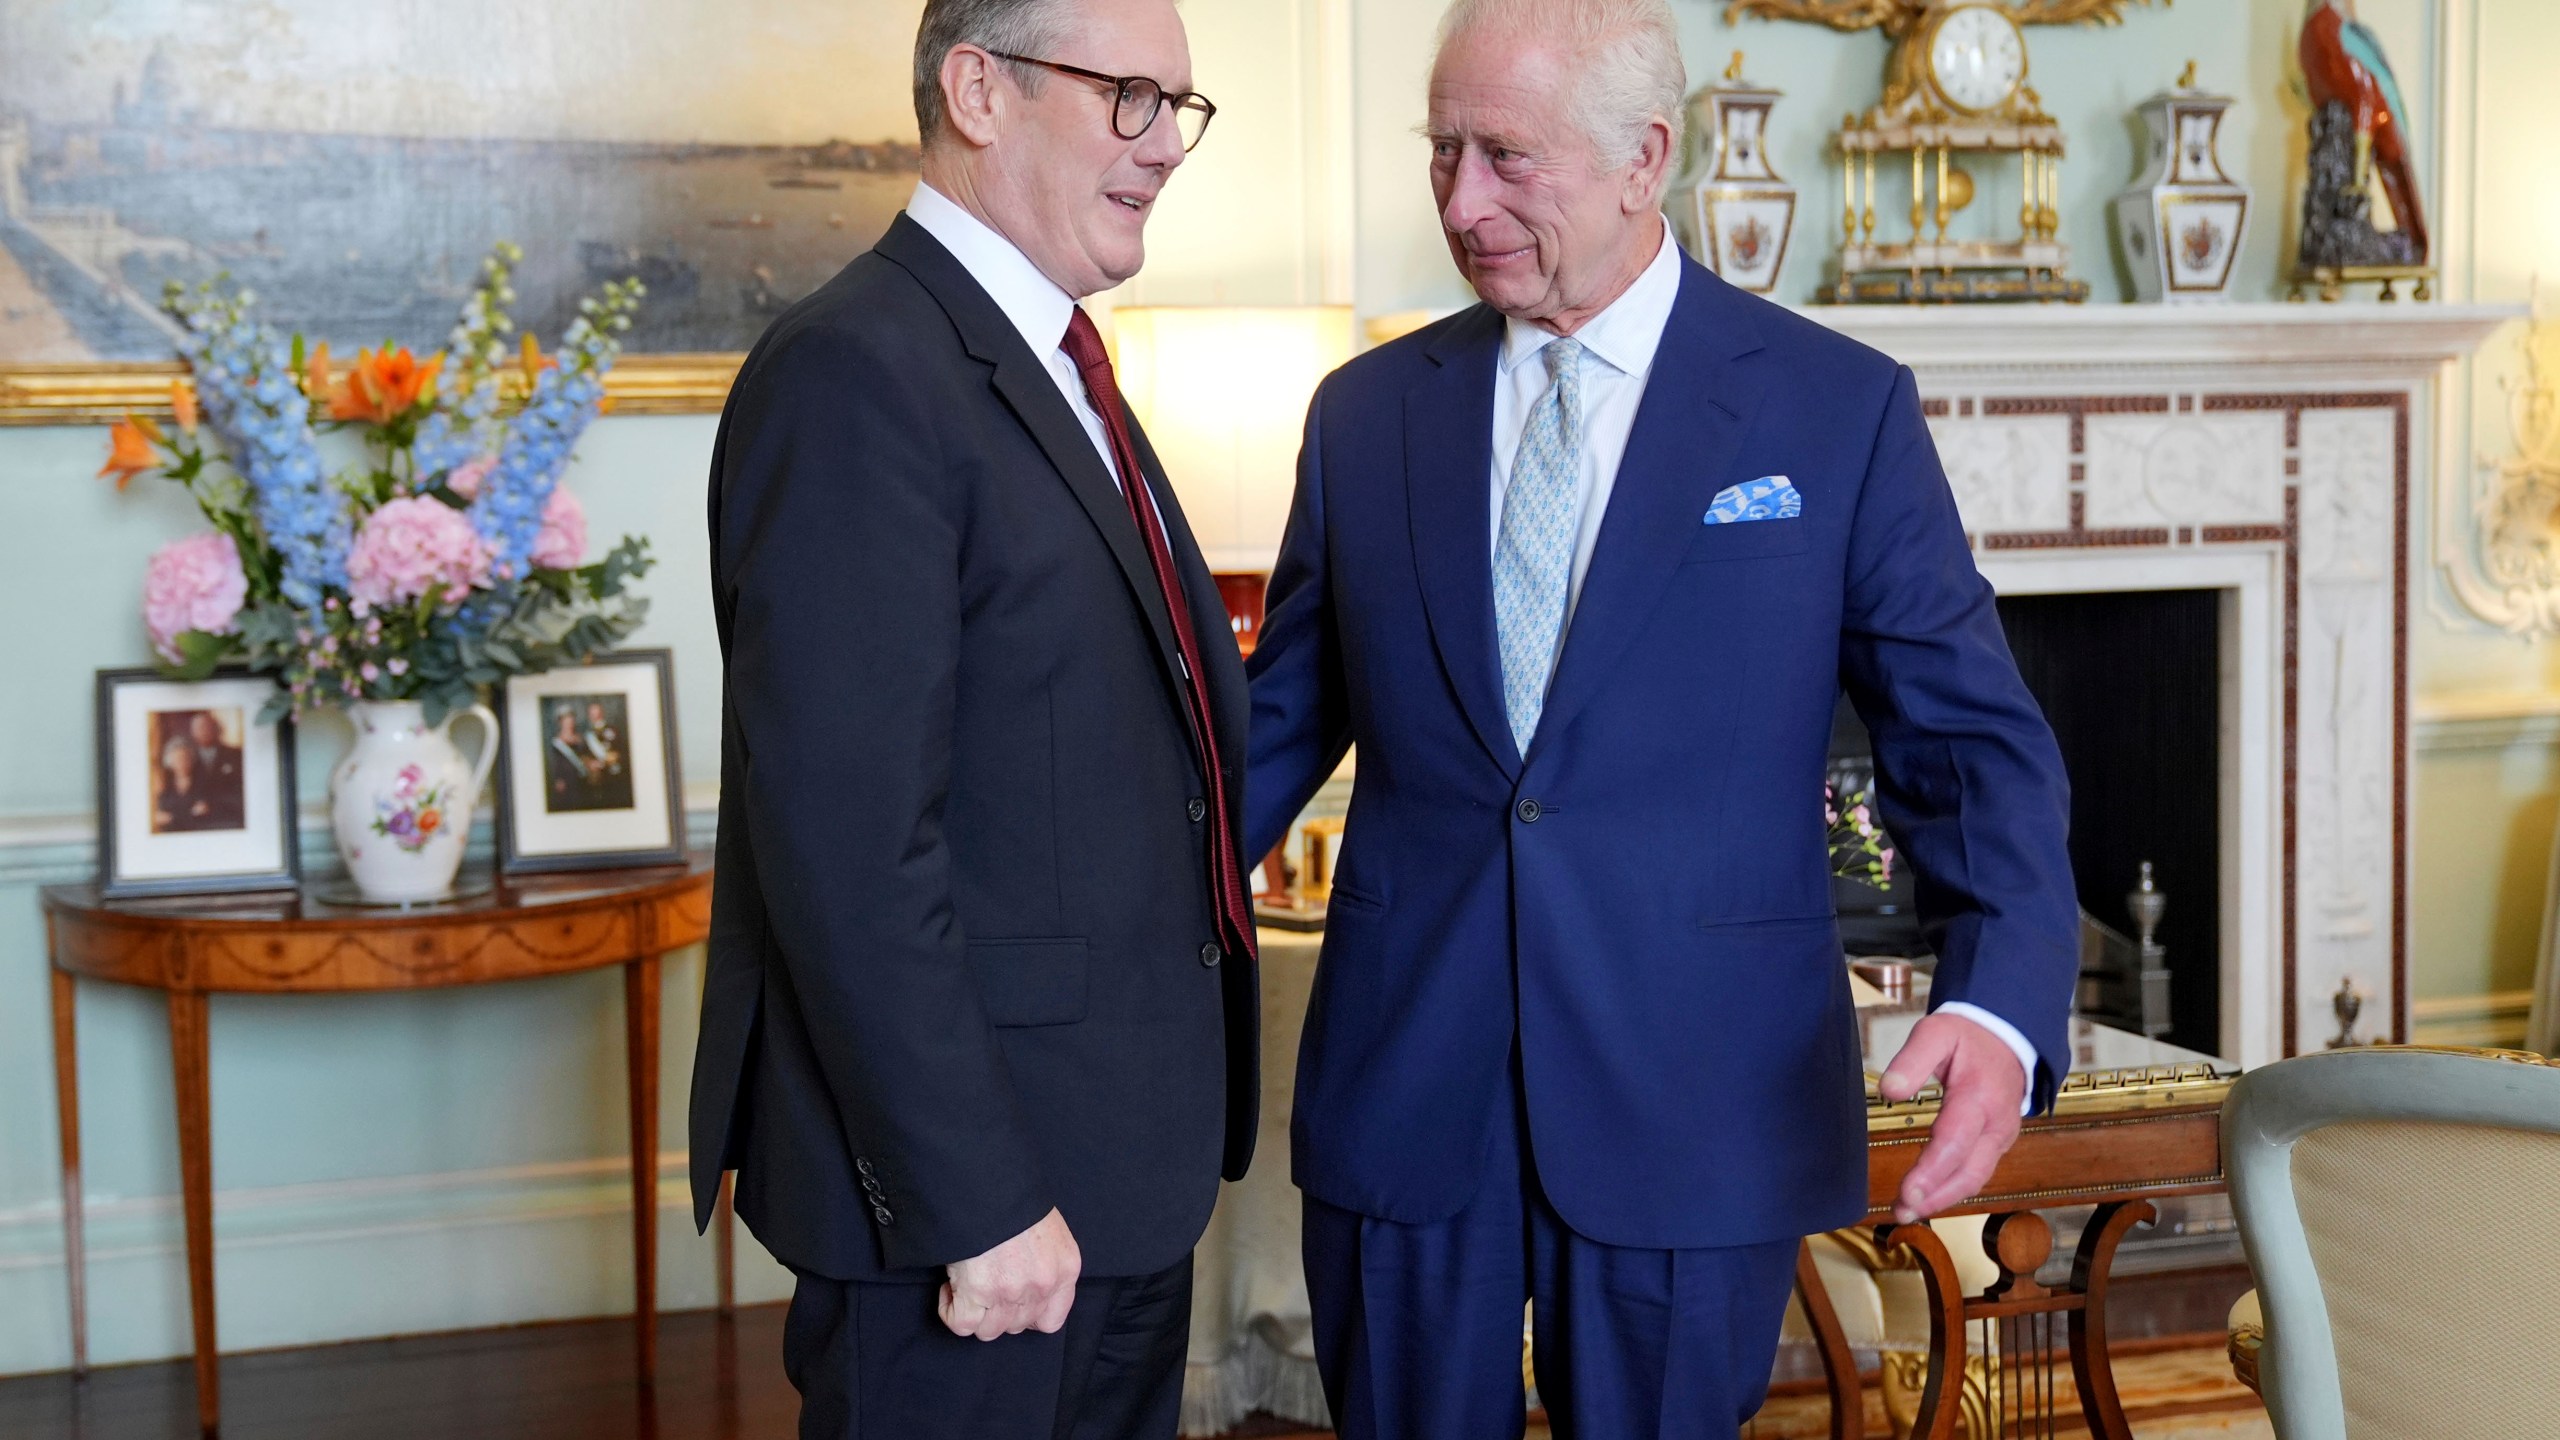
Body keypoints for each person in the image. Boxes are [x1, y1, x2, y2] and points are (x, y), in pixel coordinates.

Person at [1242, 2, 2078, 1435]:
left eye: (1505, 155)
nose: (1460, 200)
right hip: (1406, 1089)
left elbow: (1970, 743)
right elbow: (1267, 737)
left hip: (1701, 1096)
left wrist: (1998, 1001)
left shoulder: (1835, 414)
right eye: (1440, 152)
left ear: (1646, 157)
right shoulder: (1365, 414)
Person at [687, 1, 1254, 1436]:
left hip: (1115, 1182)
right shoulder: (856, 372)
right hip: (976, 1226)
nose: (1163, 147)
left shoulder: (1062, 367)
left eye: (1176, 108)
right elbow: (844, 846)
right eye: (1129, 96)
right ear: (980, 89)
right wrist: (979, 1199)